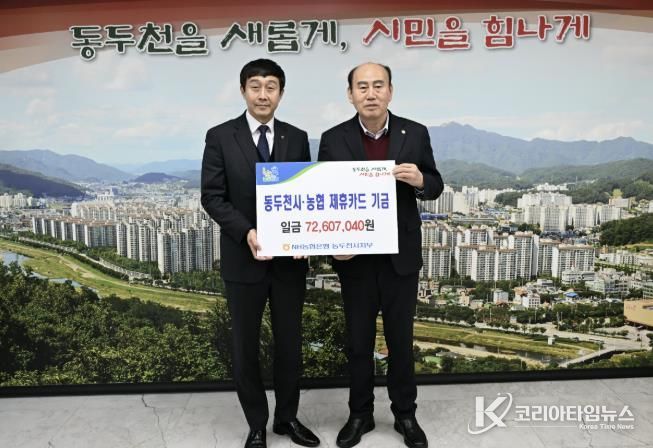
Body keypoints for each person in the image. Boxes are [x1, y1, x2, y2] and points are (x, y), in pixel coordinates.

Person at [318, 62, 444, 448]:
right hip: (354, 260)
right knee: (358, 343)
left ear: (390, 91)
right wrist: (333, 247)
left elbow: (435, 184)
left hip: (399, 258)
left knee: (400, 342)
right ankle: (360, 414)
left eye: (378, 85)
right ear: (350, 94)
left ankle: (405, 415)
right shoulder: (333, 139)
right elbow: (323, 196)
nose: (370, 93)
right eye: (362, 86)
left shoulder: (415, 133)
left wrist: (420, 181)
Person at [201, 59, 320, 448]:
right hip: (243, 260)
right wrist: (247, 232)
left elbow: (303, 193)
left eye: (271, 87)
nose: (263, 94)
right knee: (245, 347)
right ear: (243, 91)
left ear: (281, 93)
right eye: (256, 86)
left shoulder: (296, 137)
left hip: (288, 263)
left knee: (289, 344)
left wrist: (304, 238)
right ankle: (256, 423)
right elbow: (212, 197)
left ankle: (287, 419)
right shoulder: (220, 136)